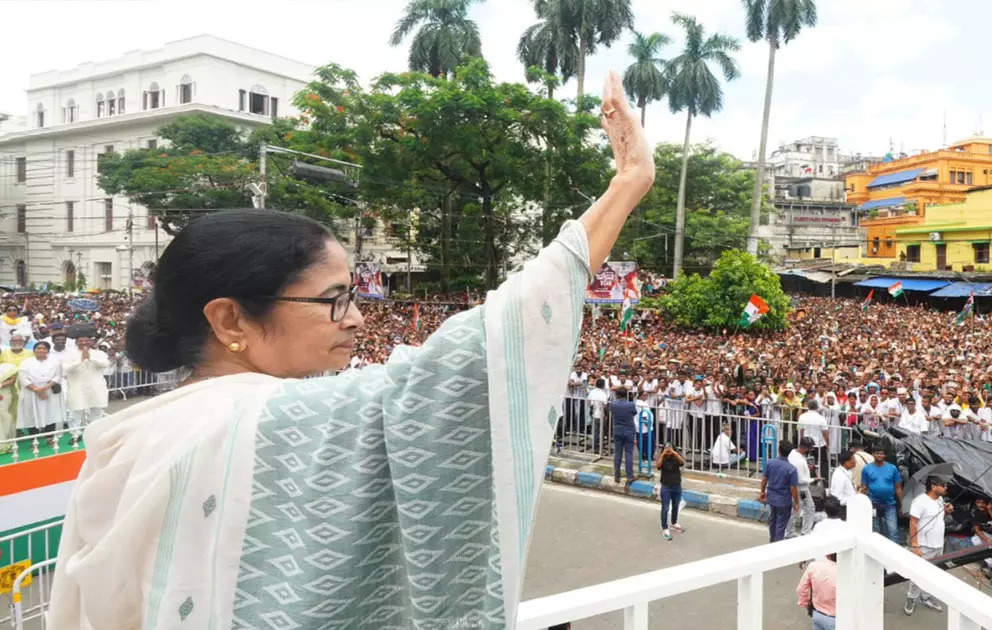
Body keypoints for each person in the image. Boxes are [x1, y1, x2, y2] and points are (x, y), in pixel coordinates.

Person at [47, 71, 655, 630]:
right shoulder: (263, 422)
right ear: (230, 318)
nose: (359, 319)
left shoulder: (132, 439)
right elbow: (471, 362)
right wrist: (626, 186)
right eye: (334, 299)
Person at [905, 477, 951, 615]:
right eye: (943, 485)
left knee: (934, 573)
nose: (946, 487)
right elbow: (913, 523)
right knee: (918, 574)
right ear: (933, 486)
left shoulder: (940, 500)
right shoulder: (919, 502)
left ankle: (926, 597)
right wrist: (915, 545)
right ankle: (911, 598)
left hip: (938, 544)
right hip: (924, 545)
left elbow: (938, 516)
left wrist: (947, 510)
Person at [62, 333, 109, 447]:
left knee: (97, 410)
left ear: (90, 341)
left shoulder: (99, 353)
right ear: (76, 342)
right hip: (77, 386)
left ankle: (95, 434)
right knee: (75, 411)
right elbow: (67, 368)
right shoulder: (69, 354)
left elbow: (105, 364)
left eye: (86, 340)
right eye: (81, 341)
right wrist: (80, 360)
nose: (83, 343)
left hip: (95, 386)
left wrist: (90, 358)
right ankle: (75, 435)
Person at [17, 340, 66, 446]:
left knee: (51, 414)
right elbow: (23, 379)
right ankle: (34, 440)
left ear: (48, 350)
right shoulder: (26, 362)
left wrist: (44, 388)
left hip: (49, 391)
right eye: (38, 348)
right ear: (34, 350)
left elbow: (58, 376)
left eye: (44, 348)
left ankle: (50, 438)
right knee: (31, 415)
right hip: (31, 393)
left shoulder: (55, 362)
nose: (41, 350)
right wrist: (37, 390)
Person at [860, 446, 903, 544]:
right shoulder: (866, 469)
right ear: (873, 454)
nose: (880, 455)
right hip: (873, 504)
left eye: (882, 453)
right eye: (877, 453)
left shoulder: (892, 468)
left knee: (893, 530)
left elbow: (898, 488)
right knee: (876, 531)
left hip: (890, 504)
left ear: (885, 455)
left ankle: (894, 553)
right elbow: (864, 487)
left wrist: (901, 505)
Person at [760, 439, 800, 543]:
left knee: (773, 520)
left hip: (772, 498)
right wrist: (796, 502)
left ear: (778, 450)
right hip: (784, 500)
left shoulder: (770, 463)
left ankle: (772, 540)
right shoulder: (791, 469)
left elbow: (764, 479)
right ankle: (776, 544)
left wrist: (762, 492)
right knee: (781, 525)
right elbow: (793, 488)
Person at [796, 548, 838, 629]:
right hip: (837, 618)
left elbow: (801, 589)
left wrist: (807, 604)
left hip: (818, 613)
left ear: (828, 554)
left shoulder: (814, 566)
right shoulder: (847, 573)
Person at [785, 437, 818, 537]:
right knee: (802, 509)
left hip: (799, 487)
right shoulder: (798, 460)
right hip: (800, 488)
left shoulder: (793, 453)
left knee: (806, 508)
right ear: (806, 448)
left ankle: (795, 532)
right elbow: (800, 479)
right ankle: (799, 532)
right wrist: (814, 480)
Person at [657, 443, 685, 541]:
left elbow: (682, 462)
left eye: (670, 448)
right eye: (666, 448)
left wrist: (674, 453)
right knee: (665, 507)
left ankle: (674, 523)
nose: (668, 450)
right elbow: (658, 465)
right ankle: (665, 528)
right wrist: (663, 454)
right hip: (666, 486)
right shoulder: (663, 458)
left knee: (676, 505)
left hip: (677, 485)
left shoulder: (676, 457)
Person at [610, 390, 638, 487]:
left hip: (617, 430)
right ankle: (629, 476)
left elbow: (612, 412)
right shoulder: (631, 404)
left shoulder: (613, 404)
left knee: (618, 453)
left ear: (617, 394)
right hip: (629, 430)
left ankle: (617, 474)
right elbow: (634, 413)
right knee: (628, 453)